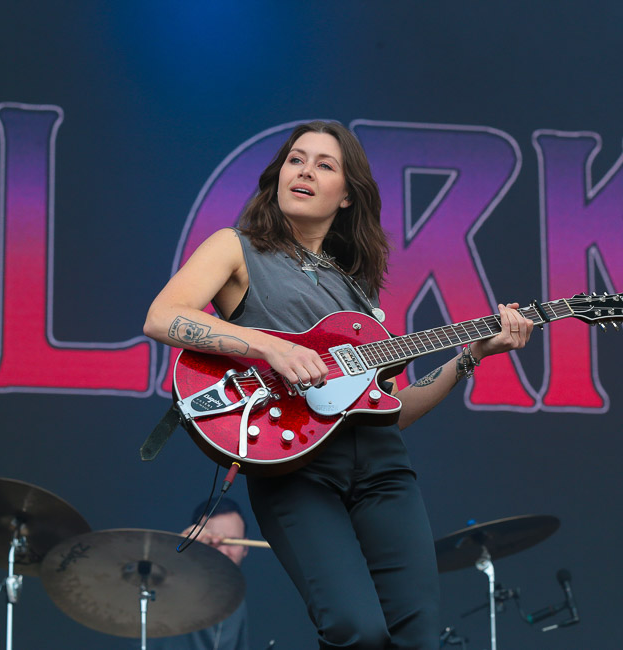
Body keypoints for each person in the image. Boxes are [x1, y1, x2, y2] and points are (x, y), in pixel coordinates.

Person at [143, 121, 534, 649]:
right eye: (296, 159)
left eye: (325, 164)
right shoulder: (235, 247)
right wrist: (270, 346)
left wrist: (470, 357)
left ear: (347, 195)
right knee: (357, 628)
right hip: (294, 470)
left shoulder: (357, 288)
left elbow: (393, 410)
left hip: (382, 469)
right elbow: (163, 316)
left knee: (416, 633)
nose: (304, 170)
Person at [150, 498, 250, 650]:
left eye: (232, 542)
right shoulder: (167, 584)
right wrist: (180, 556)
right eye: (212, 543)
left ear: (246, 548)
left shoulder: (237, 601)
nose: (223, 552)